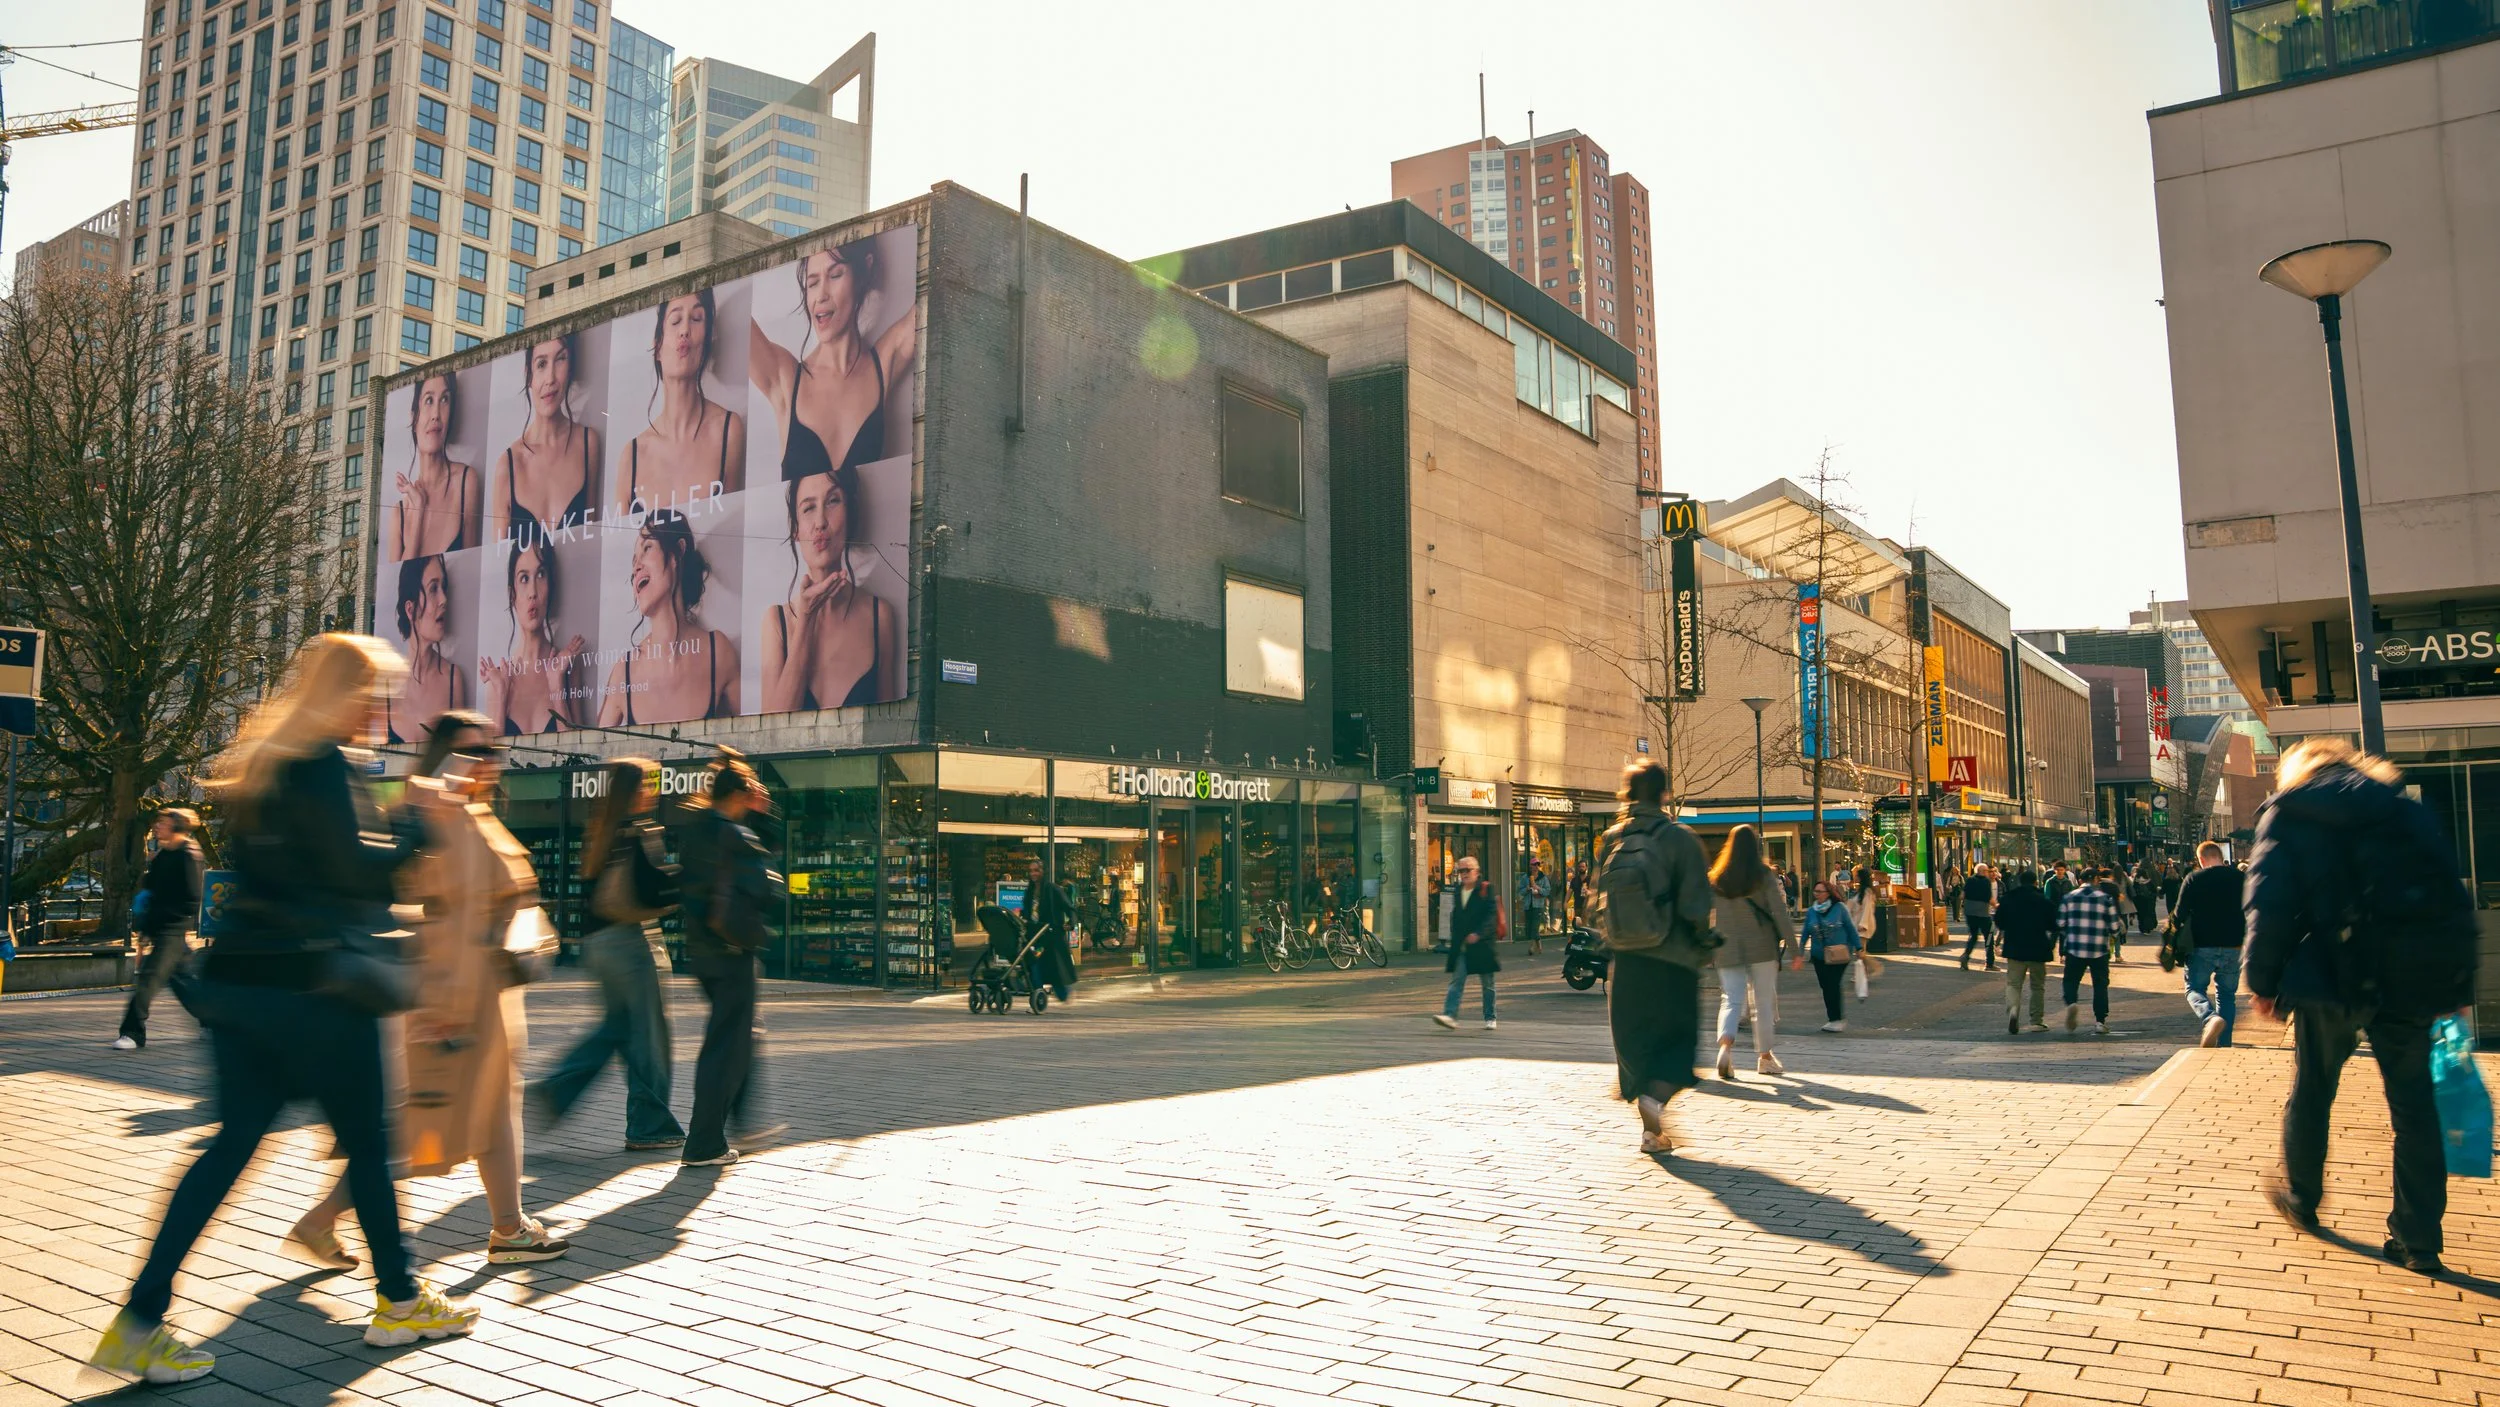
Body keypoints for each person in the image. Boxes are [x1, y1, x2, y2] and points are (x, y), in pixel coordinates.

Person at [89, 636, 478, 1388]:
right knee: (369, 1144)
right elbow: (361, 877)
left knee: (229, 1147)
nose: (381, 712)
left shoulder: (262, 765)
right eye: (376, 695)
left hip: (243, 987)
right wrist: (423, 821)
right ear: (347, 694)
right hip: (321, 991)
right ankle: (399, 1299)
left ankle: (138, 1320)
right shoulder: (325, 768)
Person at [290, 714, 569, 1269]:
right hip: (455, 999)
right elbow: (438, 919)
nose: (488, 761)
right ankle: (321, 1221)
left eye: (493, 750)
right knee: (415, 1130)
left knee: (489, 1116)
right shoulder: (440, 817)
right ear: (442, 755)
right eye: (472, 750)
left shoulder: (474, 814)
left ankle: (509, 1226)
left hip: (486, 996)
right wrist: (442, 1008)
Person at [2247, 737, 2478, 1274]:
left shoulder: (2290, 811)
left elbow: (2270, 901)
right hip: (2410, 981)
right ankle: (2417, 1239)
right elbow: (2451, 899)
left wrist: (2263, 981)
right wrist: (2458, 989)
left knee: (2313, 1089)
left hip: (2330, 975)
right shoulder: (2404, 811)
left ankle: (2302, 1198)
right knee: (2416, 1109)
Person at [529, 756, 686, 1151]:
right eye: (648, 784)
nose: (653, 791)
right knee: (650, 1038)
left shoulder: (600, 830)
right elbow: (653, 891)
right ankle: (650, 1126)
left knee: (617, 1027)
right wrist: (686, 875)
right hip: (629, 944)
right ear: (635, 791)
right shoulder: (637, 832)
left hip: (598, 946)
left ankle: (557, 1087)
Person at [1594, 760, 1714, 1152]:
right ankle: (1655, 1102)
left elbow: (1599, 899)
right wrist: (1704, 941)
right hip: (1673, 958)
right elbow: (1697, 905)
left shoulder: (1612, 838)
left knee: (1636, 1042)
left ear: (1627, 794)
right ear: (1665, 793)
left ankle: (1651, 1131)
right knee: (1677, 1043)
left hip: (1626, 959)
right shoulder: (1680, 838)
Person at [676, 751, 775, 1168]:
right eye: (752, 788)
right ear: (740, 793)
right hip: (733, 951)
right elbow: (769, 891)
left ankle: (718, 1134)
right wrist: (763, 821)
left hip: (703, 951)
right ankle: (703, 1143)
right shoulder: (735, 834)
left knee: (731, 1040)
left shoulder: (694, 828)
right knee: (725, 1048)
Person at [750, 241, 917, 489]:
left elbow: (943, 287)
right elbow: (735, 321)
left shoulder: (883, 362)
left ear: (863, 273)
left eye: (836, 275)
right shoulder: (786, 378)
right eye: (813, 283)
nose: (821, 296)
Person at [759, 460, 901, 711]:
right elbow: (772, 727)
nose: (820, 522)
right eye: (809, 508)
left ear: (850, 514)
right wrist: (806, 618)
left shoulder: (880, 616)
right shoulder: (777, 621)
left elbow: (887, 726)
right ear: (795, 529)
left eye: (833, 501)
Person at [598, 510, 739, 725]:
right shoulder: (623, 672)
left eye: (647, 548)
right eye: (634, 560)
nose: (636, 567)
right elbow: (591, 752)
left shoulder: (717, 651)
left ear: (677, 553)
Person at [622, 289, 747, 515]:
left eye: (697, 319)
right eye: (676, 320)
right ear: (657, 346)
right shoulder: (632, 454)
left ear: (707, 340)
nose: (685, 331)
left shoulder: (728, 429)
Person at [493, 334, 600, 550]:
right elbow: (499, 562)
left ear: (570, 368)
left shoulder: (588, 444)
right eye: (541, 364)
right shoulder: (509, 463)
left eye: (560, 359)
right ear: (529, 376)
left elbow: (590, 542)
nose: (550, 378)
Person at [113, 808, 206, 1050]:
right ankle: (214, 1020)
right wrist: (145, 930)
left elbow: (191, 897)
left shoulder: (189, 855)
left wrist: (168, 924)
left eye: (163, 823)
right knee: (184, 982)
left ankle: (133, 1033)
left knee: (148, 980)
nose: (157, 826)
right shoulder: (165, 854)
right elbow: (152, 890)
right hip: (161, 928)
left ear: (177, 826)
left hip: (172, 930)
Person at [1708, 824, 1793, 1079]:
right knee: (1762, 1002)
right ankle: (1765, 1058)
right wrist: (1795, 947)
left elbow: (1709, 915)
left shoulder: (1717, 877)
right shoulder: (1763, 874)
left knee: (1731, 998)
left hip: (1727, 947)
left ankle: (1725, 1048)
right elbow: (1779, 912)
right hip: (1761, 947)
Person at [480, 539, 586, 737]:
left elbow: (578, 756)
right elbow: (490, 761)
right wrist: (501, 694)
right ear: (513, 595)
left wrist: (556, 686)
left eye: (540, 575)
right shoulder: (499, 679)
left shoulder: (567, 667)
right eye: (524, 578)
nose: (532, 593)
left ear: (551, 585)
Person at [389, 373, 484, 562]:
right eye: (429, 401)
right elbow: (398, 581)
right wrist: (419, 511)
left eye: (445, 400)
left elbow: (471, 567)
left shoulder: (466, 481)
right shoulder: (399, 511)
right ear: (414, 417)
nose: (436, 415)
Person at [384, 555, 468, 743]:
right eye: (433, 589)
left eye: (443, 587)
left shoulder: (453, 679)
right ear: (410, 609)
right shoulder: (386, 686)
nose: (444, 600)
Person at [2173, 840, 2246, 1048]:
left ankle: (2209, 1017)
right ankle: (2225, 1044)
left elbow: (2179, 914)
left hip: (2201, 944)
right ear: (2220, 856)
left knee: (2194, 988)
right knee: (2227, 995)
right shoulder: (2240, 878)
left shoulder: (2194, 879)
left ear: (2201, 859)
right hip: (2234, 945)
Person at [1432, 856, 1500, 1030]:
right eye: (1460, 871)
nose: (1463, 874)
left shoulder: (1486, 889)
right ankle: (1450, 1015)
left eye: (1467, 870)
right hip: (1463, 944)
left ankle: (1490, 1016)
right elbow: (1456, 915)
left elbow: (1491, 915)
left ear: (1476, 872)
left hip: (1482, 944)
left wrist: (1478, 934)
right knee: (1457, 979)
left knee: (1487, 984)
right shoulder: (1457, 890)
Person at [2058, 868, 2124, 1035]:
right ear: (2096, 879)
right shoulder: (2104, 898)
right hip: (2099, 949)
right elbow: (2114, 926)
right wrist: (2115, 936)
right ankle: (2100, 1021)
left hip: (2074, 948)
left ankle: (2071, 1002)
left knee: (2071, 980)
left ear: (2080, 880)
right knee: (2100, 985)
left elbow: (2059, 923)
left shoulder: (2068, 898)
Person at [1996, 868, 2057, 1035]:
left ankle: (2013, 1010)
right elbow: (2053, 924)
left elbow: (2000, 922)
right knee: (2037, 986)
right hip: (2038, 947)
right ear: (2036, 882)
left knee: (2014, 983)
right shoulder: (2042, 900)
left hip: (2014, 947)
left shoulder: (2008, 899)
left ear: (2019, 881)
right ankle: (2036, 1021)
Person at [1799, 881, 1859, 1033]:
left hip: (1839, 954)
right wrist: (1799, 953)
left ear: (1829, 893)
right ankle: (1832, 1019)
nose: (1817, 894)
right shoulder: (1812, 911)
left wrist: (1859, 947)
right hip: (1819, 955)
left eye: (1820, 891)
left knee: (1833, 984)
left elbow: (1851, 929)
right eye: (1815, 892)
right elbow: (1806, 932)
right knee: (1825, 986)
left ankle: (1837, 1018)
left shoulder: (1840, 908)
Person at [1022, 857, 1076, 1001]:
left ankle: (1062, 992)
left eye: (1036, 870)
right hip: (1036, 936)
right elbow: (1026, 910)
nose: (1033, 874)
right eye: (1031, 871)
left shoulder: (1053, 889)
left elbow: (1069, 907)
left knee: (1055, 968)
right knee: (1035, 963)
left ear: (1042, 871)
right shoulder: (1030, 891)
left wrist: (1071, 922)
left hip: (1051, 936)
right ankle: (1038, 994)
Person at [1959, 864, 1998, 971]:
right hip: (1982, 912)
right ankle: (1989, 963)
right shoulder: (1986, 882)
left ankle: (1966, 956)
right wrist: (1997, 906)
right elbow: (1989, 898)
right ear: (1982, 871)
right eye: (1986, 871)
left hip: (1970, 912)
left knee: (1973, 935)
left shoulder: (1970, 880)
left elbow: (1962, 895)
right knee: (1989, 937)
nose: (1988, 873)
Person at [1517, 857, 1550, 955]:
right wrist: (1527, 889)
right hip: (1528, 905)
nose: (1536, 867)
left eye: (1537, 865)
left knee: (1535, 927)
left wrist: (1538, 888)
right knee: (1529, 927)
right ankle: (1539, 943)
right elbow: (1520, 891)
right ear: (1530, 866)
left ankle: (1532, 947)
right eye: (1534, 865)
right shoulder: (1525, 877)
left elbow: (1547, 890)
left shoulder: (1543, 877)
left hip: (1538, 905)